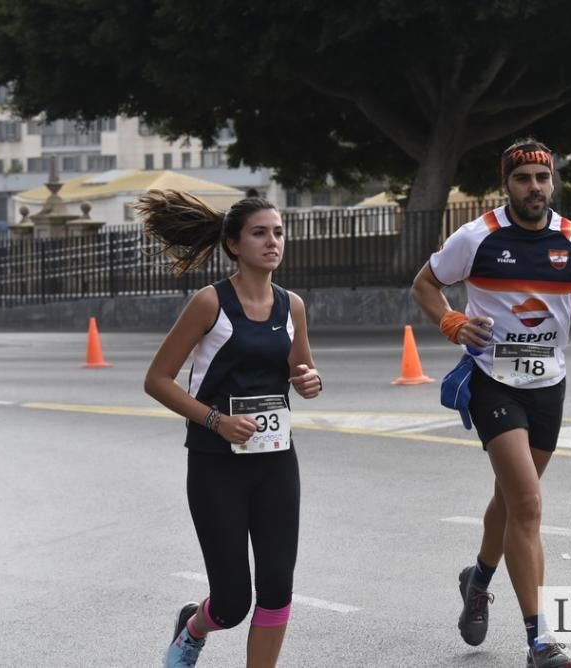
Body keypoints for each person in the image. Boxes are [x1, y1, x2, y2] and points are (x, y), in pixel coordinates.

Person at [411, 138, 571, 668]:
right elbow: (425, 284)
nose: (534, 188)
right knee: (526, 504)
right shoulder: (478, 236)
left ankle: (477, 579)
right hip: (492, 383)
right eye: (523, 179)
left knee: (509, 500)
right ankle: (540, 639)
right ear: (508, 184)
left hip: (549, 386)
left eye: (542, 179)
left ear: (553, 184)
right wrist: (452, 322)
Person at [140, 191, 322, 668]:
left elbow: (302, 372)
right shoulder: (210, 303)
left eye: (278, 232)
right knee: (233, 602)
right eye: (260, 233)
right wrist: (216, 421)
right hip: (215, 463)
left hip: (277, 460)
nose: (273, 241)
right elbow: (157, 380)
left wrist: (310, 380)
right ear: (235, 245)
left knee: (278, 587)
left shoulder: (292, 306)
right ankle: (194, 625)